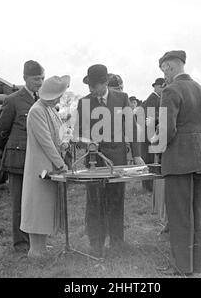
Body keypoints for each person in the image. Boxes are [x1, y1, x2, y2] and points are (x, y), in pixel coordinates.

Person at [158, 50, 201, 276]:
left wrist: (159, 148)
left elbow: (167, 129)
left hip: (178, 162)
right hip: (200, 161)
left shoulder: (171, 90)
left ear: (169, 66)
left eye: (163, 70)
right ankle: (194, 264)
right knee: (195, 214)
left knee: (178, 215)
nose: (163, 75)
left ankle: (182, 266)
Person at [75, 64, 145, 258]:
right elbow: (79, 131)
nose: (90, 90)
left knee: (116, 199)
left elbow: (130, 127)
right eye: (88, 85)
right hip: (94, 160)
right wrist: (88, 141)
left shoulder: (122, 99)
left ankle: (117, 242)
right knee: (95, 201)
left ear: (105, 83)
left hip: (118, 159)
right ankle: (96, 242)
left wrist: (137, 154)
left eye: (94, 85)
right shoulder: (84, 102)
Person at [0, 60, 45, 252]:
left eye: (42, 78)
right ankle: (21, 245)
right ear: (25, 78)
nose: (39, 83)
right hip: (19, 161)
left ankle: (35, 243)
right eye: (35, 79)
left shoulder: (44, 99)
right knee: (19, 204)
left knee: (36, 201)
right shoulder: (13, 100)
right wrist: (11, 151)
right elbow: (2, 132)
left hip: (39, 161)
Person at [20, 75, 70, 258]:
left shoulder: (49, 109)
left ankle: (41, 245)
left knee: (45, 207)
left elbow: (57, 134)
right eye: (57, 95)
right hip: (40, 166)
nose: (59, 99)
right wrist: (60, 163)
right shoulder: (37, 111)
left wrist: (65, 141)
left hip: (49, 166)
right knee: (37, 207)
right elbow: (46, 142)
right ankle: (35, 249)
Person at [141, 78, 165, 195]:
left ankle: (150, 185)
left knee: (151, 160)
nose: (163, 89)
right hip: (149, 135)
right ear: (156, 87)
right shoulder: (153, 98)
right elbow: (151, 116)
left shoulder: (157, 98)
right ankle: (148, 186)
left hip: (153, 133)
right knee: (150, 161)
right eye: (161, 87)